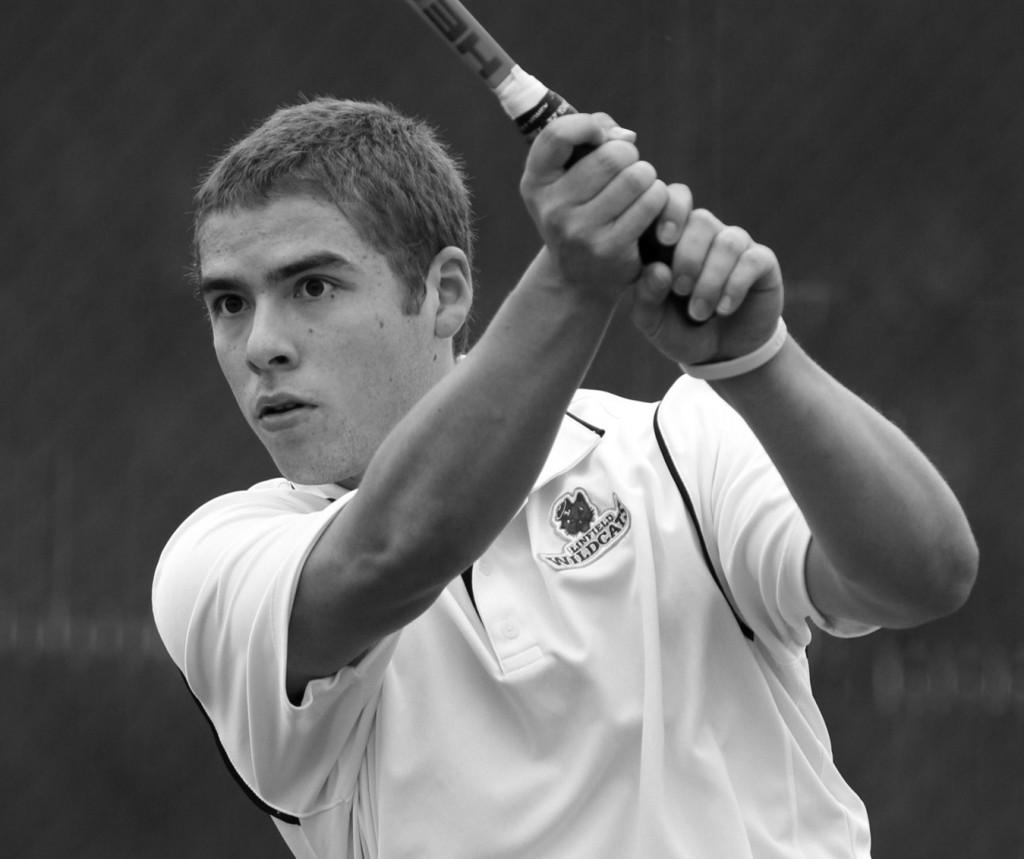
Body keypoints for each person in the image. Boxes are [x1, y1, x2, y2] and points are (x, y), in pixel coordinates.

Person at [152, 96, 977, 858]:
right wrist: (577, 275)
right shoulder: (219, 564)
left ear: (444, 294)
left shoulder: (681, 442)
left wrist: (759, 362)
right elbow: (395, 549)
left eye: (311, 286)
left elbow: (925, 574)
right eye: (229, 303)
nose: (263, 343)